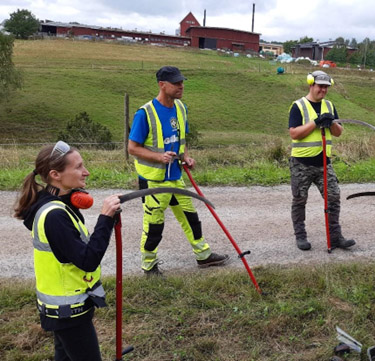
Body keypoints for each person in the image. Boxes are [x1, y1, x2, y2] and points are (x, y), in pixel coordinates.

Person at [14, 141, 121, 361]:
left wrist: (73, 199)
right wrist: (105, 219)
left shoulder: (54, 203)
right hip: (68, 311)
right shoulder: (54, 216)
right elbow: (88, 259)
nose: (86, 172)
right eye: (78, 167)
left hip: (62, 306)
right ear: (55, 174)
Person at [128, 66, 228, 275]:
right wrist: (158, 157)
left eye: (182, 82)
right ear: (162, 85)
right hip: (154, 181)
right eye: (176, 83)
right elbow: (132, 148)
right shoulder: (145, 113)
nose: (181, 86)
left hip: (175, 176)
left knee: (190, 217)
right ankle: (149, 265)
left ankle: (203, 256)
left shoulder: (181, 108)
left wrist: (185, 157)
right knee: (154, 225)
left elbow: (180, 140)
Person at [288, 70, 355, 251]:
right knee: (300, 200)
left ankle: (335, 237)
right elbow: (294, 133)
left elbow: (339, 132)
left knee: (333, 197)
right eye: (320, 87)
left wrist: (331, 122)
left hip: (324, 163)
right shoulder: (299, 106)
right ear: (311, 84)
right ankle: (300, 236)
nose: (323, 90)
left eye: (326, 87)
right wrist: (316, 122)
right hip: (301, 164)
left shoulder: (330, 106)